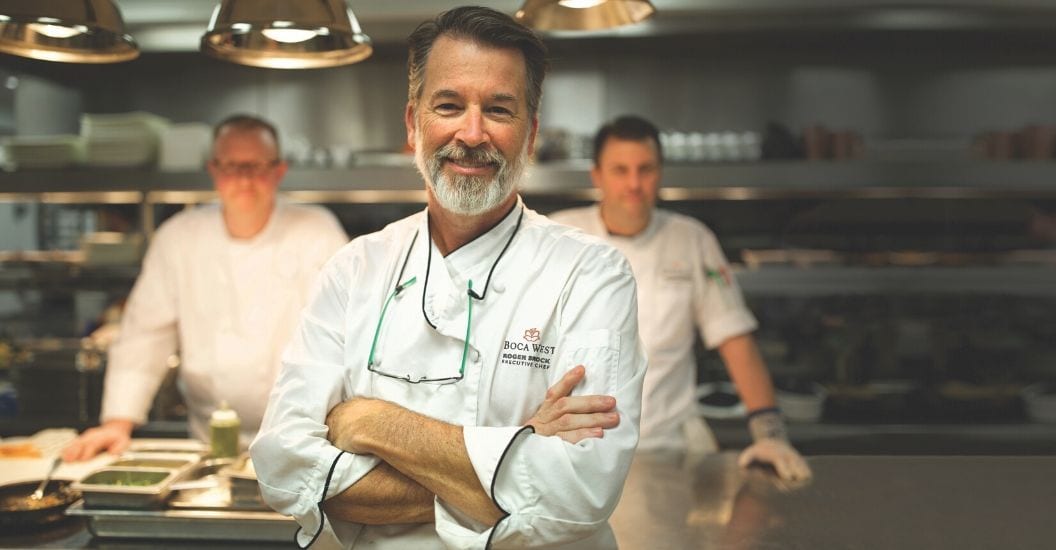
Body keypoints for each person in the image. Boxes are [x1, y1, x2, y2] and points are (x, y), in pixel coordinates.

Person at [249, 7, 645, 549]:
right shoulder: (354, 269)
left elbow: (579, 494)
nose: (472, 133)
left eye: (499, 109)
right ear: (413, 125)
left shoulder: (591, 274)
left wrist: (372, 423)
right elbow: (282, 470)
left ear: (530, 134)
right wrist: (516, 450)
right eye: (449, 106)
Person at [62, 115, 348, 461]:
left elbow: (342, 335)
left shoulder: (317, 232)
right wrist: (117, 422)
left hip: (303, 436)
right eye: (231, 166)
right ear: (213, 170)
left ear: (279, 170)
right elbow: (144, 335)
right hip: (209, 438)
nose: (244, 178)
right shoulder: (178, 237)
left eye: (257, 166)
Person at [551, 115, 811, 481]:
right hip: (572, 453)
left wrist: (771, 435)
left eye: (645, 169)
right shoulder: (559, 236)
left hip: (667, 449)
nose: (634, 183)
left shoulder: (692, 240)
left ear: (660, 173)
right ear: (597, 175)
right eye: (620, 170)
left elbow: (734, 337)